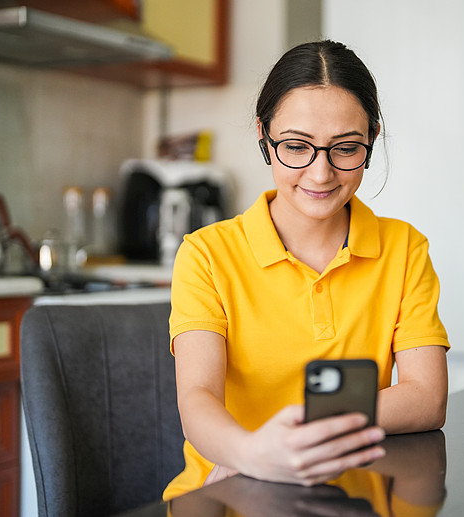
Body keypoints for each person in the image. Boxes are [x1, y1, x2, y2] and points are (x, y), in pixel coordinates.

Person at [163, 40, 449, 501]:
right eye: (296, 146)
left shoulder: (404, 248)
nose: (320, 174)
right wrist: (250, 454)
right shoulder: (206, 254)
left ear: (372, 138)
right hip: (228, 492)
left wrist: (299, 429)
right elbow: (197, 400)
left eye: (346, 148)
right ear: (264, 135)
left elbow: (427, 399)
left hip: (353, 494)